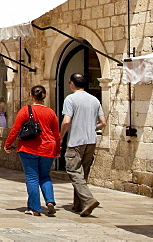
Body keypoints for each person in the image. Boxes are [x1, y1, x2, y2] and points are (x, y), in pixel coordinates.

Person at [4, 85, 61, 216]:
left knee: (32, 177)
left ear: (31, 96)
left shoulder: (25, 110)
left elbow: (15, 129)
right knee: (45, 176)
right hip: (48, 147)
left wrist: (7, 145)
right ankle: (50, 201)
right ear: (44, 96)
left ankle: (35, 208)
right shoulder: (51, 112)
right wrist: (57, 150)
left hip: (29, 148)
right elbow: (56, 134)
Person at [60, 73, 107, 217]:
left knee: (74, 171)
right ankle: (78, 204)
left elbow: (67, 121)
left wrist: (60, 137)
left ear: (73, 83)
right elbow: (103, 123)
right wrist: (91, 128)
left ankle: (88, 200)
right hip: (91, 141)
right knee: (83, 174)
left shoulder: (70, 99)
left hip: (76, 141)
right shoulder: (94, 100)